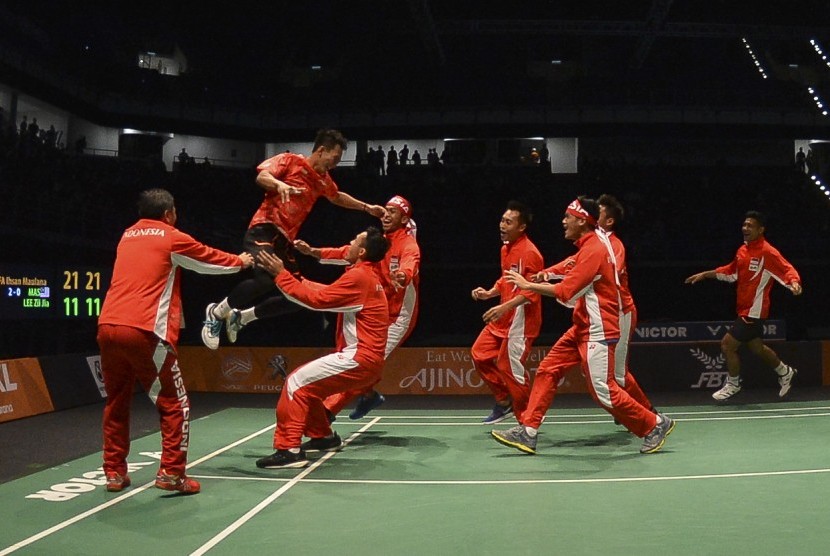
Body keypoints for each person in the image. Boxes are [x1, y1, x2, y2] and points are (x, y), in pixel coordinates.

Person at [97, 189, 253, 494]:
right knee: (174, 403)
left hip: (107, 327)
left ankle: (114, 473)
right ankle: (171, 473)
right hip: (144, 332)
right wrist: (241, 261)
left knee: (116, 401)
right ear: (169, 213)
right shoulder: (171, 236)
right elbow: (207, 259)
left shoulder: (126, 235)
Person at [492, 197, 674, 455]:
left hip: (599, 330)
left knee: (604, 390)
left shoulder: (595, 250)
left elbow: (566, 292)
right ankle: (528, 431)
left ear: (581, 220)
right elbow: (570, 266)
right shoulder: (588, 246)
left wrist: (529, 285)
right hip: (582, 325)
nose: (563, 221)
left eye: (568, 217)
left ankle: (654, 424)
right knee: (547, 369)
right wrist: (545, 273)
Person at [200, 129, 386, 349]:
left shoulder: (323, 180)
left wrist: (366, 207)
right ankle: (217, 312)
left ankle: (242, 317)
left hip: (284, 242)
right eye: (334, 158)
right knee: (266, 279)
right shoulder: (290, 160)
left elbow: (336, 197)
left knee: (297, 298)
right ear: (321, 150)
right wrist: (280, 185)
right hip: (263, 230)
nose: (334, 165)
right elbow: (262, 175)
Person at [254, 227, 389, 468]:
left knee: (295, 383)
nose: (348, 243)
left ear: (362, 251)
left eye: (354, 241)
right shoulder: (366, 275)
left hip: (358, 358)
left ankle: (289, 450)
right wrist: (297, 279)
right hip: (367, 362)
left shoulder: (359, 277)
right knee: (310, 389)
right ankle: (323, 437)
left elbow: (318, 302)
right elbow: (327, 293)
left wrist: (280, 275)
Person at [295, 195, 421, 421]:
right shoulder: (377, 241)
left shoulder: (408, 244)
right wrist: (313, 252)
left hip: (396, 316)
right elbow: (347, 252)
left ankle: (326, 413)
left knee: (362, 362)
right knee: (353, 358)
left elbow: (410, 263)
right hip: (371, 311)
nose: (386, 214)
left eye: (393, 211)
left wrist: (402, 275)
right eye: (385, 209)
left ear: (404, 218)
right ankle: (368, 394)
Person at [529, 194, 655, 417]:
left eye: (601, 212)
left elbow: (590, 271)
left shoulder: (611, 245)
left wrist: (569, 284)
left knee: (618, 375)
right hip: (595, 314)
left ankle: (649, 414)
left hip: (619, 312)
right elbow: (575, 262)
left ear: (609, 221)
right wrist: (548, 273)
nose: (595, 214)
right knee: (607, 377)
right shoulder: (592, 242)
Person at [685, 210, 802, 401]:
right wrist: (706, 274)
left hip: (753, 311)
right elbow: (731, 272)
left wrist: (794, 282)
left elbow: (786, 268)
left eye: (750, 226)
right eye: (744, 224)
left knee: (727, 345)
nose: (745, 228)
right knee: (757, 348)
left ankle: (733, 384)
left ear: (761, 230)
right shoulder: (742, 250)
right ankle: (785, 371)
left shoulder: (767, 251)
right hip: (743, 308)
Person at [471, 200, 543, 425]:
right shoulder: (505, 248)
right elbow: (506, 279)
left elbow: (532, 293)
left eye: (508, 222)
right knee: (479, 354)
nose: (502, 225)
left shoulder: (531, 253)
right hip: (502, 318)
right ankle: (504, 402)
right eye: (502, 220)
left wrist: (504, 306)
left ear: (521, 227)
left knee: (509, 367)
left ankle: (527, 421)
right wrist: (490, 293)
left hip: (522, 321)